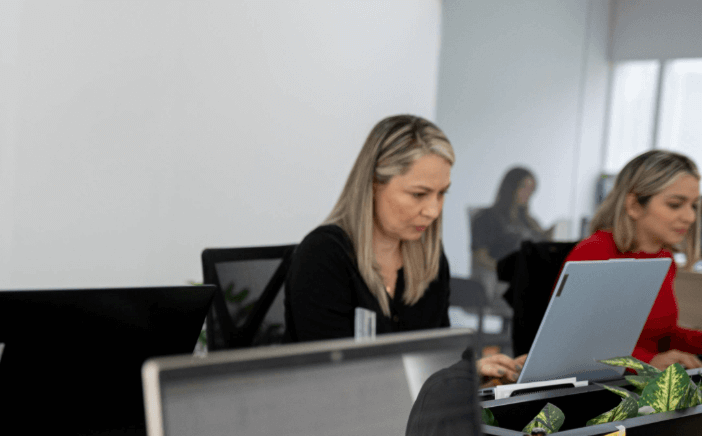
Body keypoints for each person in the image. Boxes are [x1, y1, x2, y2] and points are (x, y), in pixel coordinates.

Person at [284, 114, 524, 385]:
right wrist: (457, 378)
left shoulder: (430, 259)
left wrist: (477, 378)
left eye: (441, 193)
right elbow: (336, 381)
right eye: (419, 194)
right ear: (373, 184)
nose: (433, 211)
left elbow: (437, 363)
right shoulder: (323, 255)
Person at [562, 149, 702, 370]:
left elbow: (658, 335)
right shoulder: (594, 253)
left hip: (642, 382)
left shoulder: (663, 257)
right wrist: (646, 362)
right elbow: (572, 344)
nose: (690, 217)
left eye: (693, 205)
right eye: (675, 204)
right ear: (634, 205)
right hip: (599, 384)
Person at [471, 166, 550, 304]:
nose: (528, 194)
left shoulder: (531, 222)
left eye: (531, 189)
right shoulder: (487, 218)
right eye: (524, 187)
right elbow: (480, 257)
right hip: (504, 280)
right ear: (511, 187)